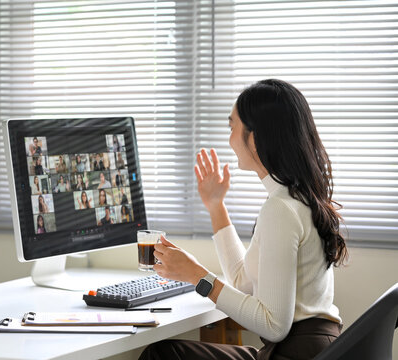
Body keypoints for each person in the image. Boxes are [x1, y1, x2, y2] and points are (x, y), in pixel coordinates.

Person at [139, 79, 347, 360]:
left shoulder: (281, 209)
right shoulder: (298, 198)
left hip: (295, 353)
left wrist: (197, 276)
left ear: (256, 136)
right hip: (313, 349)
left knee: (164, 355)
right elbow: (242, 281)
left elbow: (273, 326)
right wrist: (215, 206)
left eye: (232, 126)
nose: (229, 138)